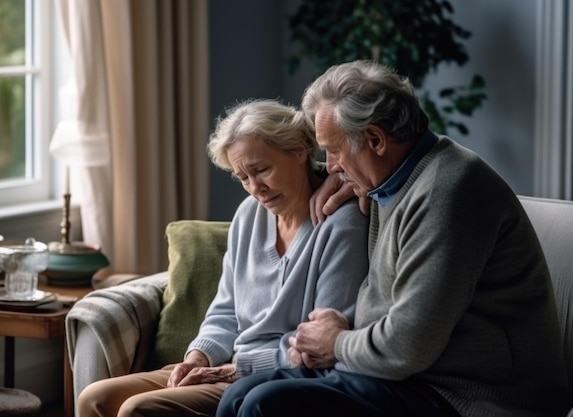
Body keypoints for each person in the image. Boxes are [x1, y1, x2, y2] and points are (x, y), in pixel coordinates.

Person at [216, 60, 569, 417]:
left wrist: (336, 342)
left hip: (468, 396)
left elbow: (406, 347)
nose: (331, 166)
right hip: (409, 379)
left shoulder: (446, 192)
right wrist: (350, 180)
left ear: (375, 139)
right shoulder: (389, 182)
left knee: (265, 405)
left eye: (334, 151)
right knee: (240, 395)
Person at [75, 98, 369, 417]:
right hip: (228, 363)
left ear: (299, 149)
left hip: (277, 377)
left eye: (261, 170)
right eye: (243, 177)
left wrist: (233, 368)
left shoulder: (342, 223)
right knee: (95, 398)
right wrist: (198, 356)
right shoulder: (248, 216)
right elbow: (226, 308)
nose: (255, 188)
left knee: (138, 409)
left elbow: (324, 343)